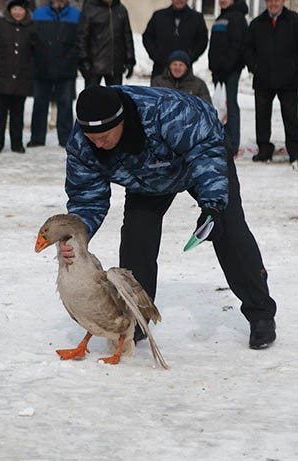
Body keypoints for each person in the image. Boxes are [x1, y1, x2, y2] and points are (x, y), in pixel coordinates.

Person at [61, 85, 277, 350]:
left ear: (122, 122)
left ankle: (261, 315)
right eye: (91, 137)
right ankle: (136, 319)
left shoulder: (169, 112)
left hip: (197, 163)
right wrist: (76, 237)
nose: (98, 144)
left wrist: (212, 206)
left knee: (228, 231)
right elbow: (86, 197)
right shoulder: (83, 144)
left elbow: (206, 153)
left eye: (104, 136)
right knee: (136, 240)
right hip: (146, 182)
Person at [0, 0, 40, 154]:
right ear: (9, 10)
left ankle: (17, 143)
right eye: (14, 9)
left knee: (17, 115)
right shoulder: (0, 25)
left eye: (20, 9)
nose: (17, 12)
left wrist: (36, 43)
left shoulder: (32, 27)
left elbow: (39, 53)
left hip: (22, 78)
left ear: (26, 11)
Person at [246, 0, 298, 170]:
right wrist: (254, 67)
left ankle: (295, 152)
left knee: (291, 118)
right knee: (262, 117)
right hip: (263, 79)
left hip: (289, 80)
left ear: (283, 2)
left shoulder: (294, 21)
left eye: (277, 0)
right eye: (270, 0)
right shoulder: (256, 23)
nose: (274, 3)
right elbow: (248, 49)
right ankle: (264, 151)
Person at [28, 0, 79, 148]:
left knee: (66, 104)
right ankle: (37, 138)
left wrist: (71, 58)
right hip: (41, 67)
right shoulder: (38, 14)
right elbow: (32, 39)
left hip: (67, 68)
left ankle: (65, 139)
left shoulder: (76, 15)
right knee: (39, 104)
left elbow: (80, 40)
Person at [208, 0, 248, 159]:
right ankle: (223, 141)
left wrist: (226, 67)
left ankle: (233, 143)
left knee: (230, 105)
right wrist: (213, 67)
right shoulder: (221, 18)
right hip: (219, 71)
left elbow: (237, 46)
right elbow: (214, 46)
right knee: (220, 106)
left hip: (230, 71)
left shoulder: (237, 17)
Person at [74, 0, 135, 88]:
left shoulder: (121, 10)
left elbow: (127, 36)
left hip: (115, 65)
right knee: (91, 98)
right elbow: (82, 37)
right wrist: (83, 61)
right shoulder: (90, 10)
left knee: (115, 99)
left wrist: (130, 60)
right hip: (93, 66)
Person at [142, 0, 208, 79]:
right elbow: (148, 37)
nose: (179, 1)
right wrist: (156, 56)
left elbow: (202, 41)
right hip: (161, 69)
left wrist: (190, 58)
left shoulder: (196, 18)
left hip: (185, 72)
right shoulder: (159, 16)